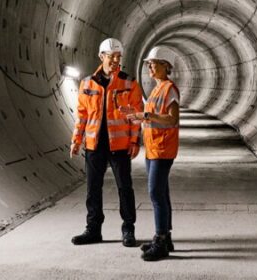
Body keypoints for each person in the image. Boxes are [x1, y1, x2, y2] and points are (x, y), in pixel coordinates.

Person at [70, 38, 144, 247]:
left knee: (125, 188)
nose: (116, 61)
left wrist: (134, 141)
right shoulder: (87, 83)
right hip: (94, 145)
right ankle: (93, 230)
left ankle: (128, 229)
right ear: (101, 56)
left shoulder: (129, 83)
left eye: (119, 57)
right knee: (93, 189)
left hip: (119, 146)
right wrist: (76, 140)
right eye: (112, 57)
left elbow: (136, 116)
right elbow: (82, 115)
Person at [124, 45, 180, 261]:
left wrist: (146, 117)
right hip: (153, 147)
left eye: (153, 63)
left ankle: (161, 240)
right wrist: (135, 115)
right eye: (148, 63)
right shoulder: (156, 89)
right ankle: (166, 238)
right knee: (161, 193)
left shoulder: (169, 89)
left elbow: (171, 119)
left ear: (165, 66)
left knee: (156, 194)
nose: (149, 66)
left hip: (163, 149)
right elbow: (151, 115)